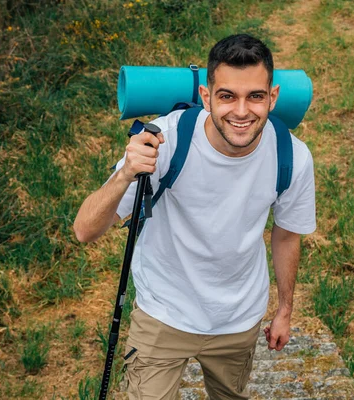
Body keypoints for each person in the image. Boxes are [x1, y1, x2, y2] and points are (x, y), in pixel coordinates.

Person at [73, 34, 316, 400]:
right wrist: (126, 174)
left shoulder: (293, 157)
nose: (241, 111)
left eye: (255, 96)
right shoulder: (165, 141)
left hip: (239, 319)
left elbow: (286, 235)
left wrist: (284, 310)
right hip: (164, 314)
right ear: (206, 97)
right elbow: (84, 231)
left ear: (273, 97)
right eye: (226, 96)